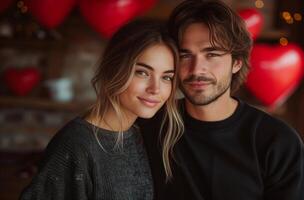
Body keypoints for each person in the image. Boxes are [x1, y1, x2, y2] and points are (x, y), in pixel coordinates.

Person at [140, 1, 304, 199]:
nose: (197, 69)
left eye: (212, 54)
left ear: (236, 63)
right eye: (185, 55)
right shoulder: (150, 124)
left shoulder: (278, 142)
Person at [20, 19, 183, 200]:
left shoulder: (139, 134)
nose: (155, 89)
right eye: (142, 72)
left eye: (167, 77)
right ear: (114, 68)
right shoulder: (76, 145)